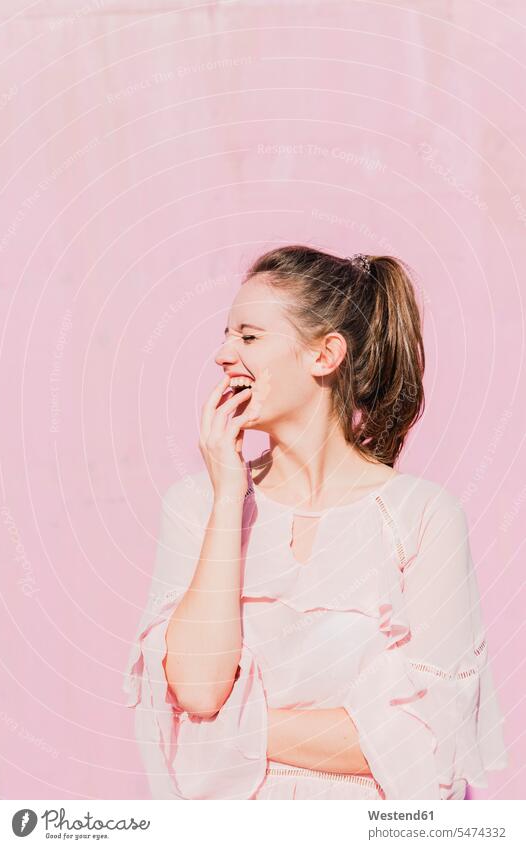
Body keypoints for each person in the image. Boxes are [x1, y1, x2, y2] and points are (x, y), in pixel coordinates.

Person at [124, 245, 509, 800]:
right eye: (227, 334)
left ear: (324, 355)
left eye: (249, 336)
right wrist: (228, 496)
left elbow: (432, 739)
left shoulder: (422, 516)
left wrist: (233, 727)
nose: (222, 355)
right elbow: (199, 691)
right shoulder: (197, 503)